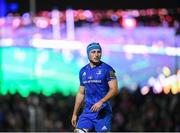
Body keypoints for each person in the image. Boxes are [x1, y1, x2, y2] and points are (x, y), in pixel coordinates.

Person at [71, 42, 119, 132]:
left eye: (98, 52)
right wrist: (75, 114)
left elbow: (115, 90)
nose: (96, 54)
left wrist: (101, 101)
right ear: (88, 54)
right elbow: (81, 93)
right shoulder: (83, 71)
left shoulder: (107, 69)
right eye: (93, 52)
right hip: (87, 113)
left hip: (102, 114)